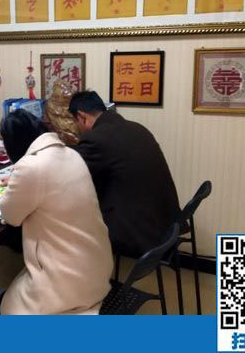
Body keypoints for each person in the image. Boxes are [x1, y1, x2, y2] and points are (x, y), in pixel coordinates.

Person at [0, 109, 113, 315]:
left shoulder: (31, 166)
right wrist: (20, 179)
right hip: (98, 266)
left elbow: (11, 215)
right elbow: (50, 183)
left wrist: (17, 181)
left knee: (6, 305)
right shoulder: (71, 154)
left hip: (69, 281)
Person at [68, 90, 181, 258]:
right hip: (164, 223)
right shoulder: (137, 128)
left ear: (81, 117)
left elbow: (72, 173)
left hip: (139, 232)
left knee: (70, 218)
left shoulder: (96, 138)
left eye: (75, 122)